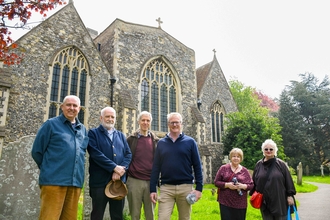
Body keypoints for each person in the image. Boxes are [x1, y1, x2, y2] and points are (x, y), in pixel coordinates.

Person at [31, 95, 89, 220]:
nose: (71, 108)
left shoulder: (83, 130)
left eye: (75, 106)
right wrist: (50, 169)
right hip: (54, 182)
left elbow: (81, 154)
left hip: (75, 183)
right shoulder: (51, 125)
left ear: (79, 109)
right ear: (62, 107)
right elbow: (37, 151)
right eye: (68, 105)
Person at [150, 112, 203, 220]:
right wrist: (152, 189)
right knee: (162, 217)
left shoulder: (190, 142)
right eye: (172, 122)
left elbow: (197, 166)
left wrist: (199, 188)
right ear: (168, 124)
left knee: (185, 218)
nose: (175, 125)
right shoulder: (161, 143)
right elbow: (156, 167)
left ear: (181, 124)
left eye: (177, 122)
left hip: (185, 188)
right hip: (166, 188)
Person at [87, 107, 132, 220]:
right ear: (101, 118)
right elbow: (95, 154)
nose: (110, 119)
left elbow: (128, 154)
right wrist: (114, 167)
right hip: (99, 183)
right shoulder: (93, 133)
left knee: (117, 216)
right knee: (97, 215)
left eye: (113, 117)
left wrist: (121, 170)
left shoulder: (121, 135)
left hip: (118, 184)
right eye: (107, 116)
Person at [250, 139, 296, 220]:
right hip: (265, 201)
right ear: (263, 151)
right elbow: (254, 181)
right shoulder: (258, 165)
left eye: (271, 149)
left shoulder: (281, 164)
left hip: (280, 200)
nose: (268, 151)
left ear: (275, 150)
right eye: (266, 149)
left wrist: (290, 195)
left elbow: (288, 181)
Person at [126, 111, 159, 220]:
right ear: (138, 121)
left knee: (150, 215)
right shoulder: (130, 139)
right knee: (135, 214)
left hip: (151, 182)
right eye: (143, 120)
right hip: (134, 181)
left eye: (148, 120)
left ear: (150, 123)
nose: (145, 122)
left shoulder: (156, 141)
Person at [214, 148, 254, 220]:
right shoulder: (223, 168)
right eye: (234, 156)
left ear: (241, 158)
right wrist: (227, 185)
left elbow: (251, 185)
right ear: (230, 157)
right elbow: (216, 182)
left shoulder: (244, 171)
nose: (236, 158)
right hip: (225, 202)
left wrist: (242, 186)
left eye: (238, 156)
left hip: (240, 203)